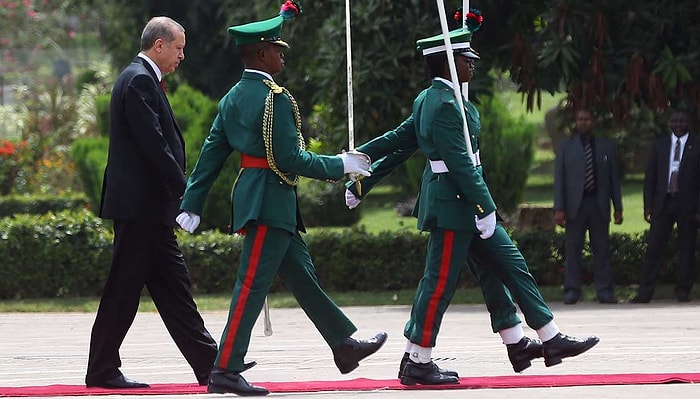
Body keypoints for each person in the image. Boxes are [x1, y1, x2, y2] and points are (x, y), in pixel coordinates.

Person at [344, 24, 599, 386]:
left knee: (508, 267)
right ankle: (417, 359)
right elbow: (456, 163)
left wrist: (365, 168)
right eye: (466, 59)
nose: (473, 65)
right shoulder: (445, 106)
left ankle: (540, 339)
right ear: (449, 63)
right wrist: (486, 207)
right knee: (438, 284)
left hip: (464, 203)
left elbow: (398, 141)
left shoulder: (438, 100)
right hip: (455, 205)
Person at [175, 2, 386, 396]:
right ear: (260, 54)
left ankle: (343, 346)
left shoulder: (232, 98)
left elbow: (211, 154)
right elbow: (292, 158)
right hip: (269, 201)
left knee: (303, 279)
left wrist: (193, 201)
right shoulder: (274, 98)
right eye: (276, 49)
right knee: (251, 284)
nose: (282, 55)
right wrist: (341, 165)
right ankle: (226, 368)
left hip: (264, 200)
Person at [85, 17, 218, 389]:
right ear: (158, 46)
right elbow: (154, 146)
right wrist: (186, 191)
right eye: (178, 48)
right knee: (123, 290)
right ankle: (101, 369)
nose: (182, 56)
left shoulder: (141, 78)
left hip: (149, 209)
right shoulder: (139, 80)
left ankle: (211, 364)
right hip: (139, 208)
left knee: (175, 289)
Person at [553, 109, 623, 304]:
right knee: (573, 250)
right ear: (576, 122)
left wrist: (618, 207)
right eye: (580, 119)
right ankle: (572, 290)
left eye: (587, 119)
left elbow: (613, 180)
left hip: (598, 205)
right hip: (575, 206)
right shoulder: (566, 147)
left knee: (601, 250)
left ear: (593, 122)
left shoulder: (605, 146)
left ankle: (605, 291)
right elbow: (559, 180)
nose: (583, 122)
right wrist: (559, 208)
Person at [632, 108, 700, 303]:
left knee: (686, 248)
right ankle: (645, 291)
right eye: (674, 121)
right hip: (663, 203)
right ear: (669, 123)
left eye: (682, 121)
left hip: (687, 204)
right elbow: (650, 177)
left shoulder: (696, 145)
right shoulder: (659, 145)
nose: (678, 124)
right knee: (654, 247)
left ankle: (683, 291)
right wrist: (648, 206)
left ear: (689, 123)